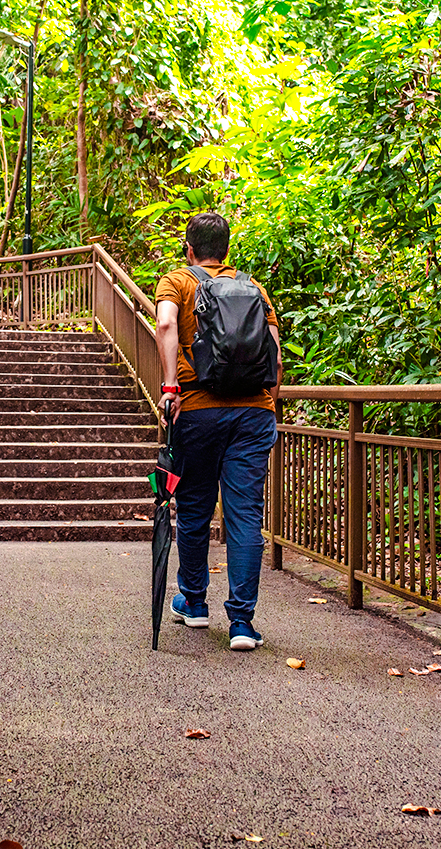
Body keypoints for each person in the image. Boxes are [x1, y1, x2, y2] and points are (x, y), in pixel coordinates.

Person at [153, 211, 281, 651]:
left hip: (199, 409)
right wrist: (267, 406)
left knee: (194, 508)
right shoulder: (253, 289)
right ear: (227, 249)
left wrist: (171, 386)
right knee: (245, 514)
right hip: (253, 412)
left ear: (189, 248)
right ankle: (242, 624)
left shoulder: (178, 281)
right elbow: (275, 355)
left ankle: (193, 602)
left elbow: (167, 324)